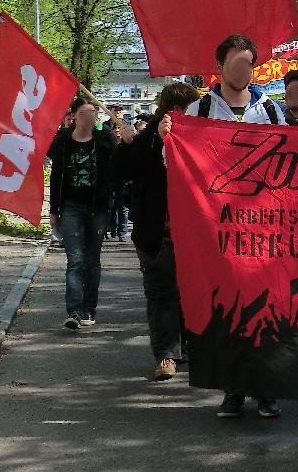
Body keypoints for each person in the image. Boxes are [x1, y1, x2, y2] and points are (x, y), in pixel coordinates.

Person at [162, 34, 284, 421]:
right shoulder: (198, 111)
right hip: (218, 230)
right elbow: (177, 168)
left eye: (248, 62)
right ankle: (232, 389)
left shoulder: (273, 112)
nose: (241, 69)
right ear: (220, 66)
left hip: (265, 227)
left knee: (268, 309)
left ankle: (266, 388)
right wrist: (168, 140)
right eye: (234, 61)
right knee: (230, 309)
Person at [116, 82, 200, 382]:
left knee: (190, 294)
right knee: (162, 294)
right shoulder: (149, 137)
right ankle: (166, 354)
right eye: (175, 109)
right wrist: (152, 141)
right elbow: (127, 169)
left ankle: (189, 348)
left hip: (193, 234)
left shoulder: (201, 135)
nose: (179, 115)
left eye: (185, 109)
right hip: (156, 231)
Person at [48, 98, 117, 331]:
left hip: (97, 207)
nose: (90, 117)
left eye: (94, 113)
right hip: (71, 207)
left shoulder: (104, 139)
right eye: (85, 113)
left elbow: (119, 161)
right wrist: (53, 210)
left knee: (92, 260)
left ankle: (89, 308)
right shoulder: (63, 142)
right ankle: (74, 311)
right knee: (75, 259)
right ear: (74, 116)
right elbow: (56, 175)